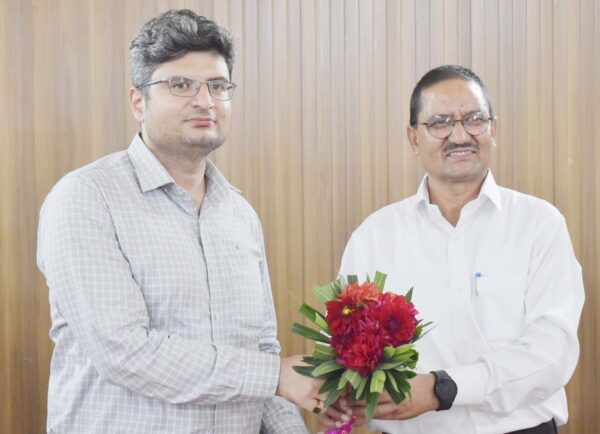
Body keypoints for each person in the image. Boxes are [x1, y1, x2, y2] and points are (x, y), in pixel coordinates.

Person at [37, 9, 324, 434]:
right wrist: (276, 376)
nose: (205, 101)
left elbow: (263, 351)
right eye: (180, 85)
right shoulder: (86, 198)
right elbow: (124, 352)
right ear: (138, 102)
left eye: (218, 86)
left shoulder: (240, 215)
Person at [319, 65, 584, 434]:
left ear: (494, 129)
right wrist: (338, 396)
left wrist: (442, 389)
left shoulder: (540, 224)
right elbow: (342, 345)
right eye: (440, 123)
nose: (460, 136)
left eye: (474, 120)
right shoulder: (374, 237)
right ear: (413, 138)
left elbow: (552, 352)